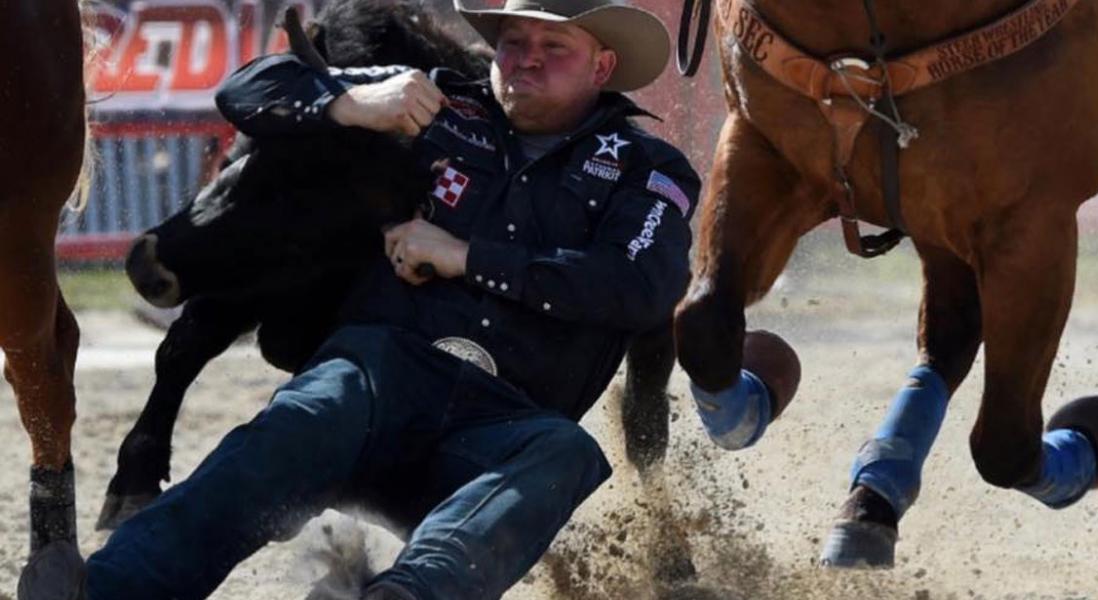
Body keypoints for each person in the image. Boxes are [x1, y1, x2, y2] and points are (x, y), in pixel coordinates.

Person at [85, 1, 698, 599]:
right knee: (314, 405)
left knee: (564, 452)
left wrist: (467, 256)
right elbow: (246, 92)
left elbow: (638, 288)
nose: (527, 61)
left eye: (554, 46)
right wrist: (350, 102)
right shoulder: (433, 103)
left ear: (602, 66)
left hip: (501, 430)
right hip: (376, 385)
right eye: (514, 42)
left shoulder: (646, 170)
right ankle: (111, 587)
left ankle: (409, 593)